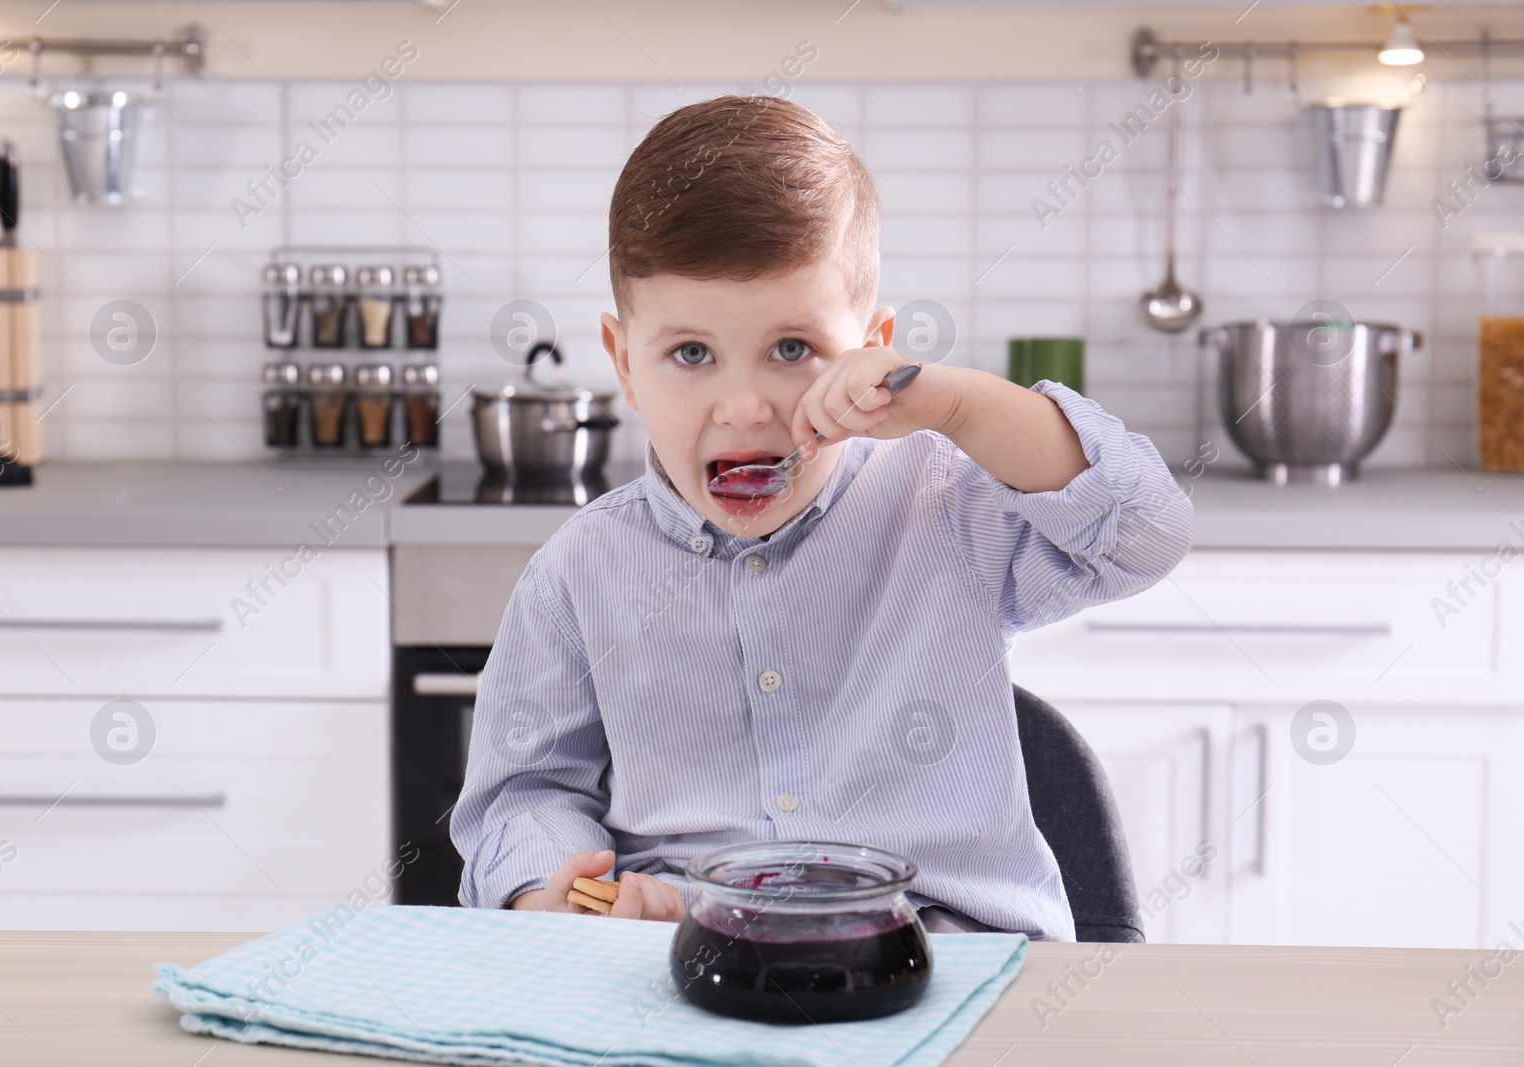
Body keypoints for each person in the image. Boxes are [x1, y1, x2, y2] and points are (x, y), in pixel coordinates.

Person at [449, 94, 1193, 940]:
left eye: (793, 349)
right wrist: (562, 891)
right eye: (691, 353)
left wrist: (954, 403)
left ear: (872, 343)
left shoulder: (946, 504)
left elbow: (1147, 533)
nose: (743, 406)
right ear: (625, 360)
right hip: (680, 952)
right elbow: (526, 793)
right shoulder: (577, 572)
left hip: (951, 957)